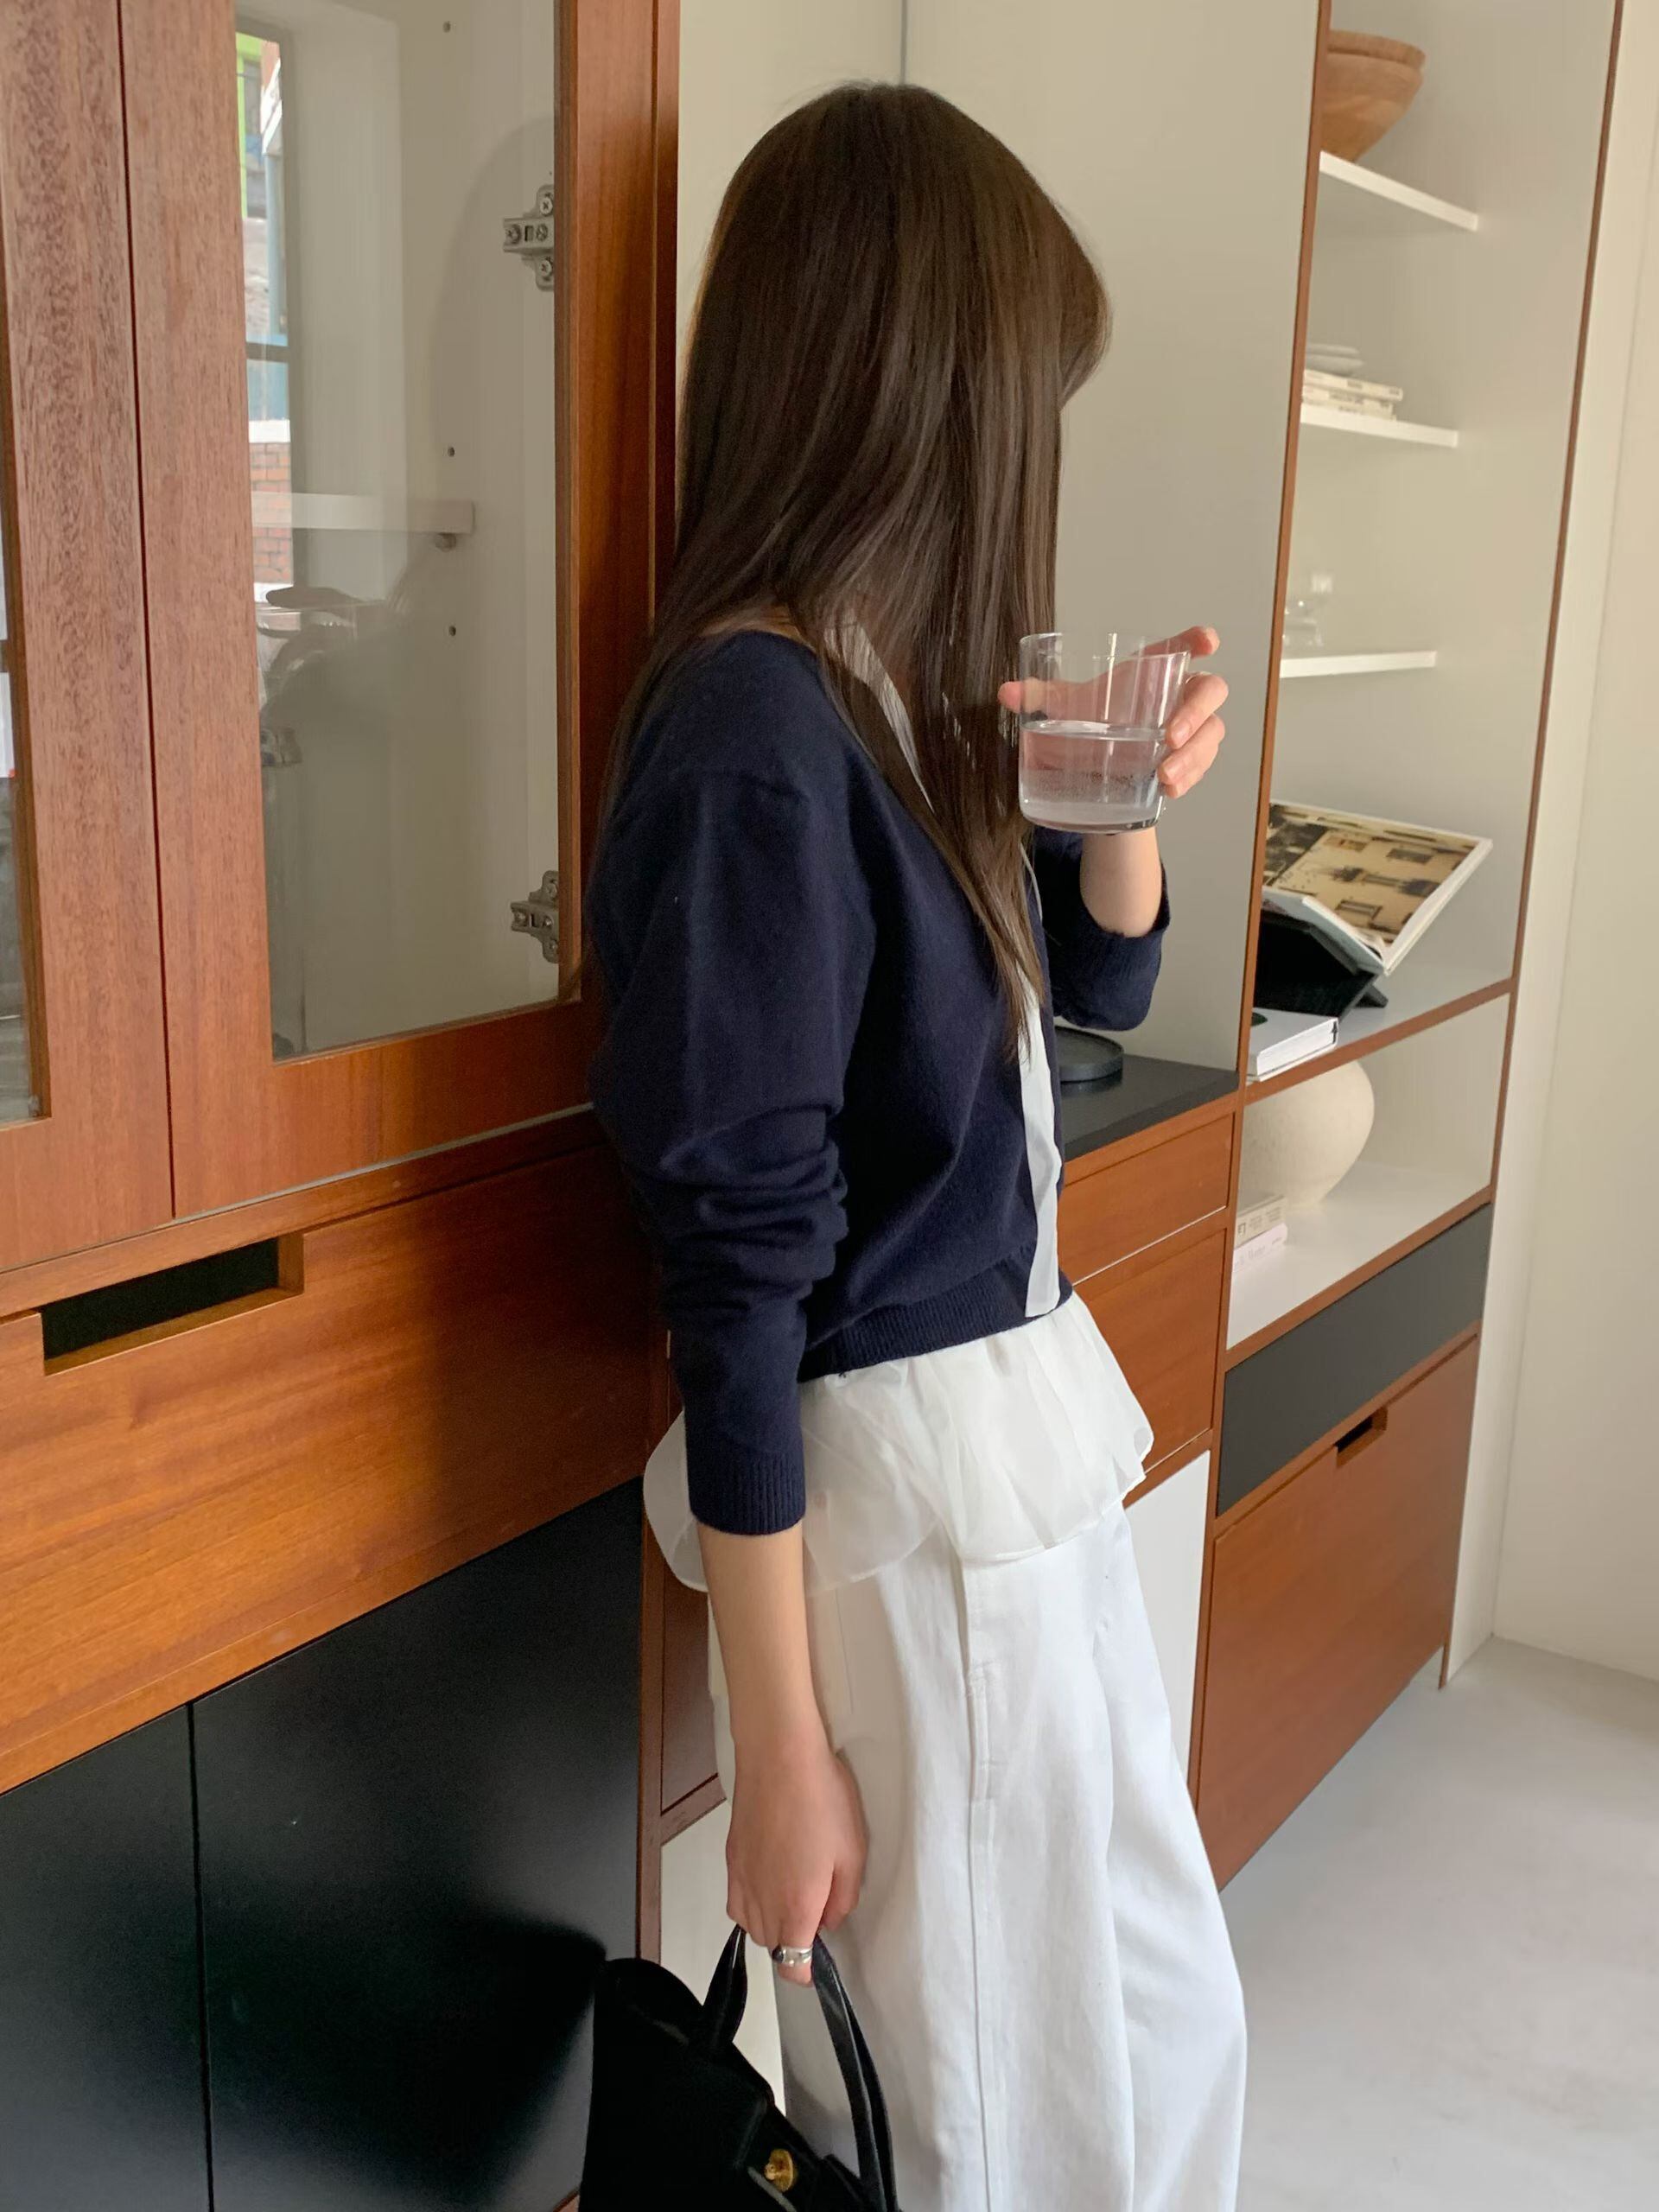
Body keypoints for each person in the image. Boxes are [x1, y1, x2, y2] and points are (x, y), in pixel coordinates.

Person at [587, 81, 1245, 2212]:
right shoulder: (758, 736)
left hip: (1004, 1477)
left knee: (1139, 2037)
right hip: (913, 1509)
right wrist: (778, 1745)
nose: (1031, 444)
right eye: (1023, 391)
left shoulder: (881, 690)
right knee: (992, 2110)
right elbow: (738, 1282)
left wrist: (1116, 800)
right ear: (920, 381)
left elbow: (1103, 984)